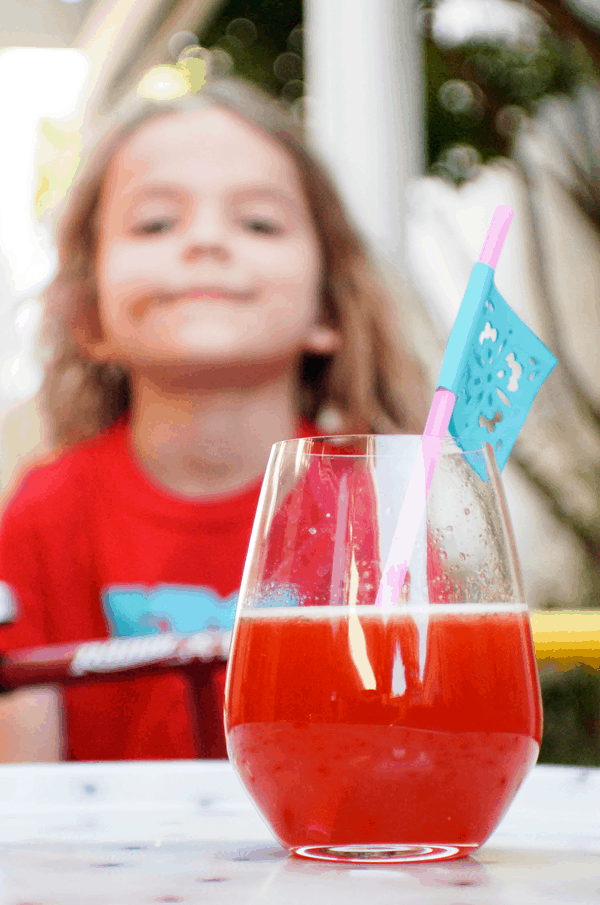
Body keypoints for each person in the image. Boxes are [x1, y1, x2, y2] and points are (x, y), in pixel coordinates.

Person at [0, 76, 427, 761]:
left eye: (259, 222)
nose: (204, 241)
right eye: (156, 223)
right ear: (88, 315)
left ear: (327, 307)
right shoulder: (41, 518)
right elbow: (20, 796)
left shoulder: (388, 506)